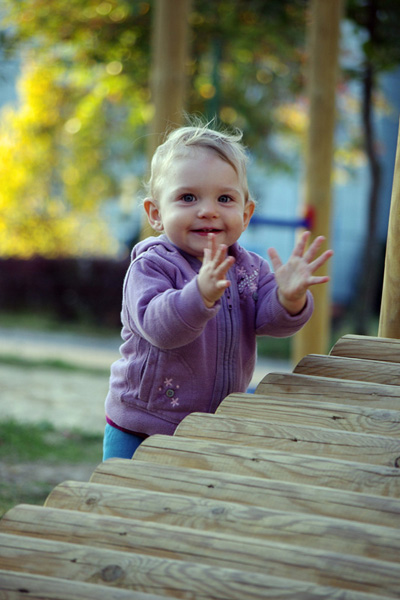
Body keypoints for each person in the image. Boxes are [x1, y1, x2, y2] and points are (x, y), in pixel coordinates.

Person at [103, 123, 333, 460]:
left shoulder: (248, 268)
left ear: (246, 213)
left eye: (224, 198)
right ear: (156, 213)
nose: (208, 209)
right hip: (142, 426)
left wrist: (289, 298)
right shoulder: (151, 266)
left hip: (212, 426)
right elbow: (159, 328)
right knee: (122, 502)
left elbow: (272, 322)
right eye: (188, 197)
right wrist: (200, 295)